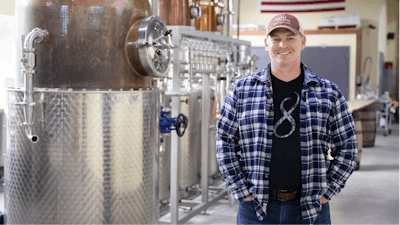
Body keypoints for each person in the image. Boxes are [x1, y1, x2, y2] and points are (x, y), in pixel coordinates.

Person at [216, 13, 357, 225]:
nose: (283, 44)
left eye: (290, 38)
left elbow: (347, 146)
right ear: (266, 44)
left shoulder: (328, 92)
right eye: (276, 39)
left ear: (303, 42)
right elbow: (224, 142)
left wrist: (327, 192)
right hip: (256, 208)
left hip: (311, 209)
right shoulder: (241, 90)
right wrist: (240, 189)